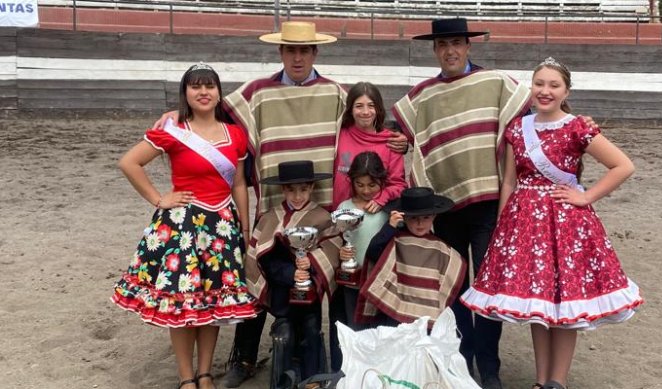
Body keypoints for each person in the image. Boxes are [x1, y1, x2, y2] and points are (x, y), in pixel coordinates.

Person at [153, 23, 408, 386]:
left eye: (305, 50)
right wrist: (175, 118)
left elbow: (367, 119)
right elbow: (210, 109)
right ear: (281, 53)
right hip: (274, 205)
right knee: (258, 273)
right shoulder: (258, 92)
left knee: (320, 277)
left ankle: (321, 355)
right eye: (291, 50)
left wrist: (397, 135)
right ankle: (243, 357)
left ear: (316, 53)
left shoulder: (335, 93)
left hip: (322, 211)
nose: (298, 57)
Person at [460, 57, 644, 389]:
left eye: (553, 85)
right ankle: (541, 380)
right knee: (538, 304)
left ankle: (557, 381)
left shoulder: (578, 127)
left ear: (565, 91)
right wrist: (503, 224)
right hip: (526, 225)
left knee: (565, 304)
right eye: (539, 84)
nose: (545, 91)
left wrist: (586, 197)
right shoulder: (518, 128)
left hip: (566, 226)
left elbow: (623, 166)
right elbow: (508, 182)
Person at [392, 17, 531, 389]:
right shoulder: (423, 95)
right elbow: (411, 136)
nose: (450, 51)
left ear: (469, 46)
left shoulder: (495, 83)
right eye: (443, 45)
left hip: (488, 204)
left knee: (487, 289)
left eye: (456, 43)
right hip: (445, 206)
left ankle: (489, 365)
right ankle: (461, 356)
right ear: (435, 50)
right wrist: (394, 142)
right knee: (452, 287)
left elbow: (528, 120)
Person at [111, 63, 260, 389]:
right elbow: (129, 162)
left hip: (221, 227)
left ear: (219, 92)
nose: (203, 92)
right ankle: (185, 377)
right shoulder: (173, 129)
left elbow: (238, 184)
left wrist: (244, 226)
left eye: (209, 86)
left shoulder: (234, 133)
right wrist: (158, 198)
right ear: (186, 93)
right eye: (196, 87)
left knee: (213, 302)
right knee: (181, 302)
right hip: (183, 229)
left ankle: (205, 373)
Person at [243, 160, 342, 389]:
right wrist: (291, 274)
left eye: (304, 189)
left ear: (312, 188)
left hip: (311, 292)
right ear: (282, 190)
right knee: (284, 333)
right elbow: (263, 259)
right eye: (291, 190)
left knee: (311, 329)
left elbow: (331, 253)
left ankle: (312, 380)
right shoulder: (270, 217)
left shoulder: (322, 217)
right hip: (282, 292)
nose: (297, 196)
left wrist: (312, 264)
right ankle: (281, 381)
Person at [356, 187, 466, 327]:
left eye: (426, 217)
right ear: (404, 217)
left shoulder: (440, 247)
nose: (420, 223)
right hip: (395, 307)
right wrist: (390, 227)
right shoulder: (395, 239)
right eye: (413, 218)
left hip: (427, 310)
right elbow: (373, 253)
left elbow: (452, 272)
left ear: (434, 216)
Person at [329, 151, 395, 371]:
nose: (366, 190)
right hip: (352, 282)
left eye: (372, 185)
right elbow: (336, 241)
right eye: (360, 185)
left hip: (381, 281)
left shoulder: (386, 209)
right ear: (351, 182)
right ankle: (356, 374)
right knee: (355, 328)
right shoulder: (343, 208)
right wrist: (341, 254)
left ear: (382, 182)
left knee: (381, 330)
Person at [331, 81, 407, 211]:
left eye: (371, 106)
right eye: (359, 106)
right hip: (340, 215)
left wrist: (382, 198)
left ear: (378, 109)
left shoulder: (392, 141)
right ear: (350, 109)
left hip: (376, 217)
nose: (365, 112)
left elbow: (398, 185)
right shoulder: (337, 134)